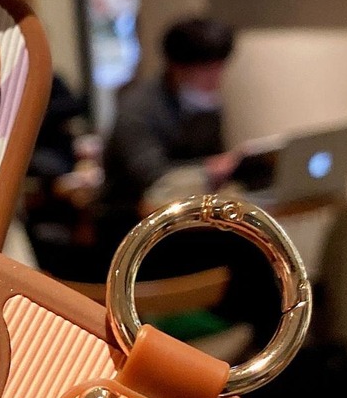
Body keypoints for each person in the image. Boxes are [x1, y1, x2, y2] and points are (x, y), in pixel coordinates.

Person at [99, 16, 241, 243]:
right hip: (134, 229)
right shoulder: (138, 106)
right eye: (206, 69)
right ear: (177, 67)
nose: (216, 78)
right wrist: (211, 169)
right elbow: (151, 175)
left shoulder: (204, 104)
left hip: (188, 220)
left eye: (219, 68)